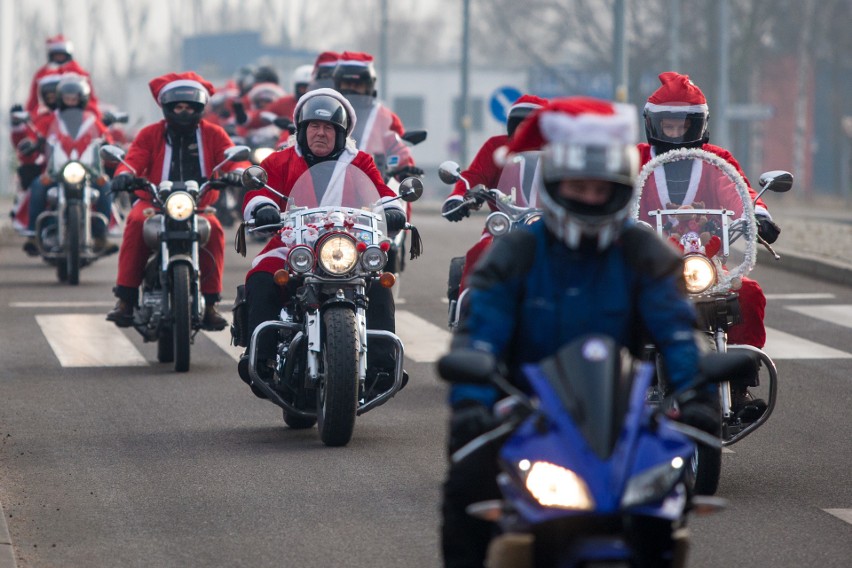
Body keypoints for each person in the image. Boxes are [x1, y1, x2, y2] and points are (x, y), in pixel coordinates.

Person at [440, 96, 713, 568]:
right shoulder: (517, 252)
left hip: (623, 417)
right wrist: (471, 399)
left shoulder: (644, 252)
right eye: (577, 185)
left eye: (600, 187)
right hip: (528, 414)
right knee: (465, 485)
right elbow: (480, 332)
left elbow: (677, 332)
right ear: (554, 183)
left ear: (622, 188)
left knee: (667, 500)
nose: (589, 196)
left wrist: (699, 394)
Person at [238, 88, 408, 395]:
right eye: (314, 127)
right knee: (262, 275)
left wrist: (393, 210)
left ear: (341, 133)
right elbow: (259, 191)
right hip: (293, 245)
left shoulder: (360, 162)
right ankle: (260, 357)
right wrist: (261, 207)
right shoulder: (281, 160)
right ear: (301, 130)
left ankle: (383, 364)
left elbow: (381, 191)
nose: (320, 133)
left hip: (345, 246)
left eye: (328, 128)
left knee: (379, 282)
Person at [637, 71, 779, 418]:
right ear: (653, 124)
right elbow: (616, 194)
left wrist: (757, 214)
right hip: (646, 265)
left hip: (705, 265)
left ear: (699, 124)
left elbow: (740, 191)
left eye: (684, 125)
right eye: (668, 126)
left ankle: (739, 383)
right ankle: (622, 382)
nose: (675, 132)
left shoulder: (717, 161)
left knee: (747, 293)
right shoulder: (635, 158)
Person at [106, 71, 244, 330]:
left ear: (199, 107)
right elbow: (133, 160)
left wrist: (239, 171)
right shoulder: (150, 134)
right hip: (154, 203)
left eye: (189, 107)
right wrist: (124, 175)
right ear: (166, 108)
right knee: (136, 222)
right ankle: (125, 299)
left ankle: (211, 303)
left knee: (214, 229)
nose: (183, 112)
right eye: (177, 107)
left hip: (199, 205)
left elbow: (234, 158)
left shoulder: (213, 134)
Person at [441, 94, 547, 291]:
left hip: (550, 227)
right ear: (512, 126)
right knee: (480, 251)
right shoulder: (496, 147)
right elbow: (473, 175)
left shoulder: (560, 152)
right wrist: (458, 197)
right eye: (521, 124)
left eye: (534, 126)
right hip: (506, 223)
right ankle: (467, 314)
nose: (526, 130)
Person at [20, 74, 115, 256]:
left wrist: (110, 145)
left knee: (106, 185)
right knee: (38, 186)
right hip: (57, 171)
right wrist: (31, 143)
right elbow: (35, 135)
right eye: (67, 98)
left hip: (88, 170)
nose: (71, 102)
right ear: (60, 98)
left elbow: (106, 137)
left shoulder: (92, 119)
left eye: (74, 98)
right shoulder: (49, 119)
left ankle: (102, 235)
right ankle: (33, 234)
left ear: (82, 98)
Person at [25, 35, 100, 118]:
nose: (59, 58)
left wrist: (96, 117)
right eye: (56, 55)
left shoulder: (79, 73)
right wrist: (29, 118)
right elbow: (33, 102)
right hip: (50, 118)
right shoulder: (42, 74)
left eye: (62, 55)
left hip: (77, 118)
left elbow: (91, 101)